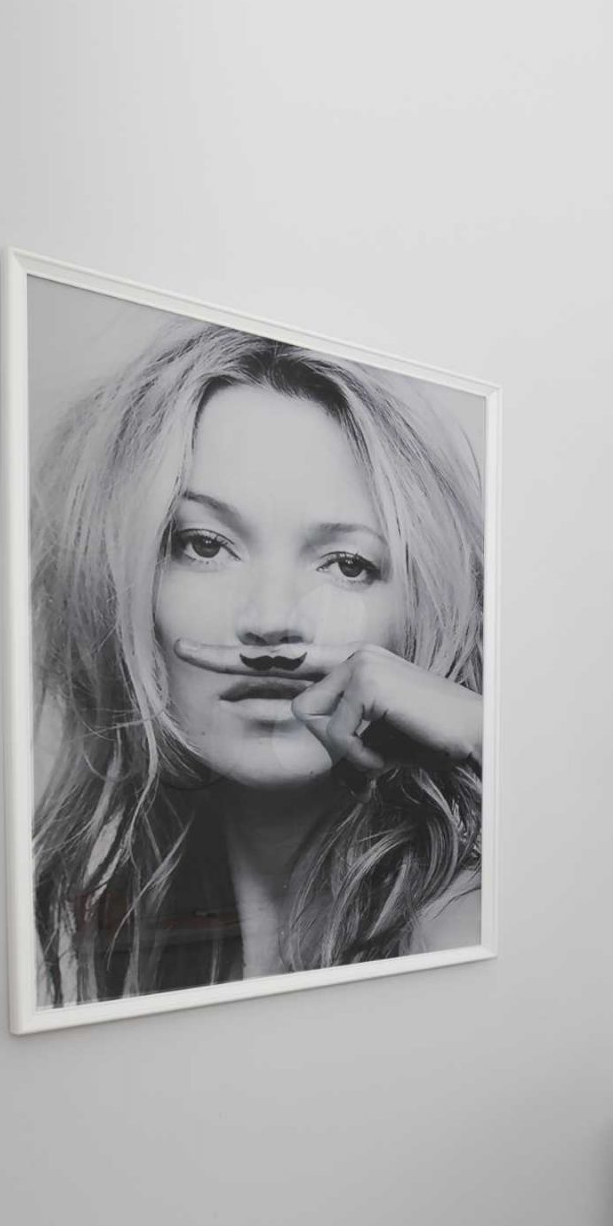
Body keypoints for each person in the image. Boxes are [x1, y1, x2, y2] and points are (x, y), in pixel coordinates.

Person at [31, 321, 485, 1004]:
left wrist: (489, 734)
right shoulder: (99, 939)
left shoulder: (459, 927)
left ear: (420, 608)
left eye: (348, 563)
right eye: (204, 545)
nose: (272, 619)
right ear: (122, 580)